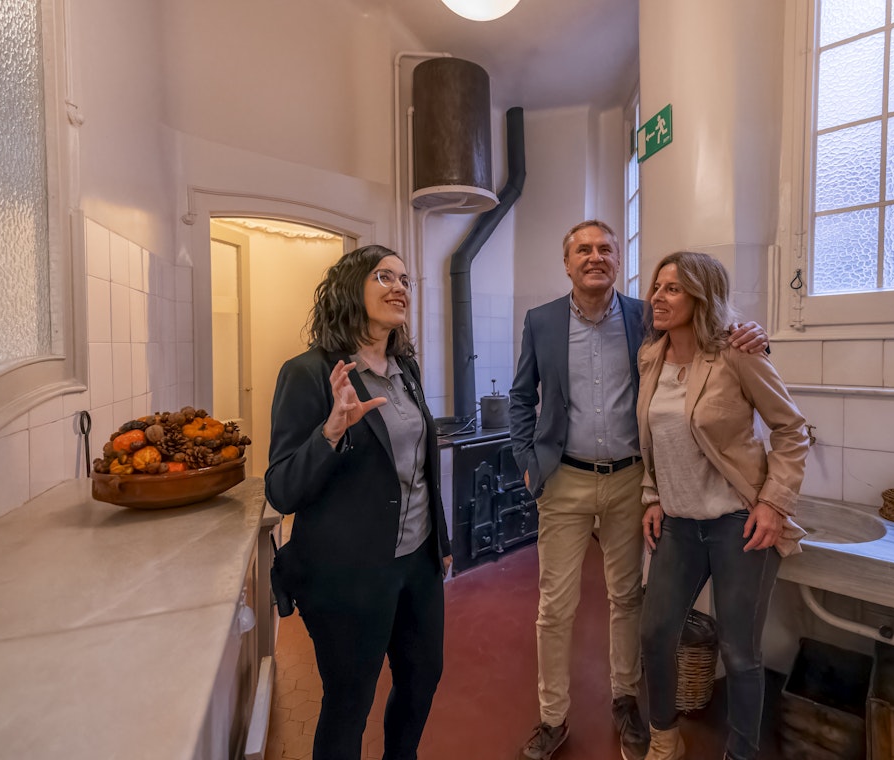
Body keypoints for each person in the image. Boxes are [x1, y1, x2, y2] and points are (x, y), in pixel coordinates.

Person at [509, 221, 769, 760]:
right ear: (567, 263)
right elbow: (519, 398)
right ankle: (552, 717)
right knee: (555, 607)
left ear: (617, 261)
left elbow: (707, 334)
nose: (596, 257)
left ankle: (626, 701)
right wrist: (528, 462)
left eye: (606, 248)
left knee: (626, 599)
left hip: (631, 481)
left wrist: (758, 336)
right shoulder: (541, 321)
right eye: (583, 249)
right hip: (564, 480)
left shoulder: (643, 316)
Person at [265, 244, 452, 760]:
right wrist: (330, 431)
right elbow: (281, 488)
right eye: (383, 276)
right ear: (352, 287)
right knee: (349, 701)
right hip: (348, 574)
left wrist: (441, 539)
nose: (400, 288)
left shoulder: (405, 369)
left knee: (422, 679)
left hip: (417, 563)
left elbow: (417, 467)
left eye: (406, 280)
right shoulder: (307, 373)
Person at [637, 251, 809, 760]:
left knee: (740, 654)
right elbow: (651, 439)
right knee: (653, 635)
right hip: (679, 524)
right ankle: (665, 738)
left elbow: (791, 428)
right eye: (656, 287)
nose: (657, 298)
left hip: (739, 524)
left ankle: (741, 752)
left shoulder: (737, 353)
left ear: (700, 296)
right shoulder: (651, 357)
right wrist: (652, 496)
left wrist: (775, 504)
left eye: (672, 289)